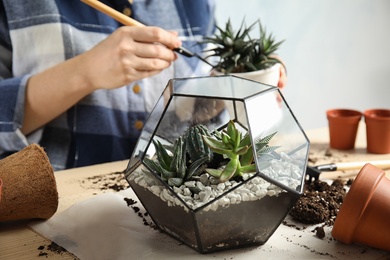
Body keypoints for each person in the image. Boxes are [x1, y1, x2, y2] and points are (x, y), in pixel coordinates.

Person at [0, 0, 286, 170]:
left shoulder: (194, 5)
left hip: (176, 201)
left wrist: (232, 86)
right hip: (57, 213)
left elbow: (191, 116)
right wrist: (84, 73)